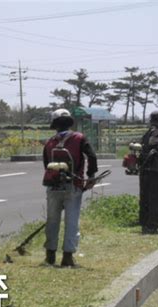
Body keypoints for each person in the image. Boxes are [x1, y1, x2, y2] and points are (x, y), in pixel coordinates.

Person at [42, 109, 97, 267]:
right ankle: (67, 257)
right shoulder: (79, 138)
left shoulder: (50, 142)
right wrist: (91, 175)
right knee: (72, 221)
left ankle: (50, 255)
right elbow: (91, 156)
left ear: (55, 124)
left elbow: (46, 165)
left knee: (52, 220)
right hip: (73, 185)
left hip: (53, 186)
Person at [139, 111, 158, 234]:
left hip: (145, 171)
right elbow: (154, 148)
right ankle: (152, 226)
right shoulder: (155, 132)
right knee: (157, 199)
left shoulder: (146, 133)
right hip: (155, 172)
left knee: (146, 199)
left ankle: (145, 225)